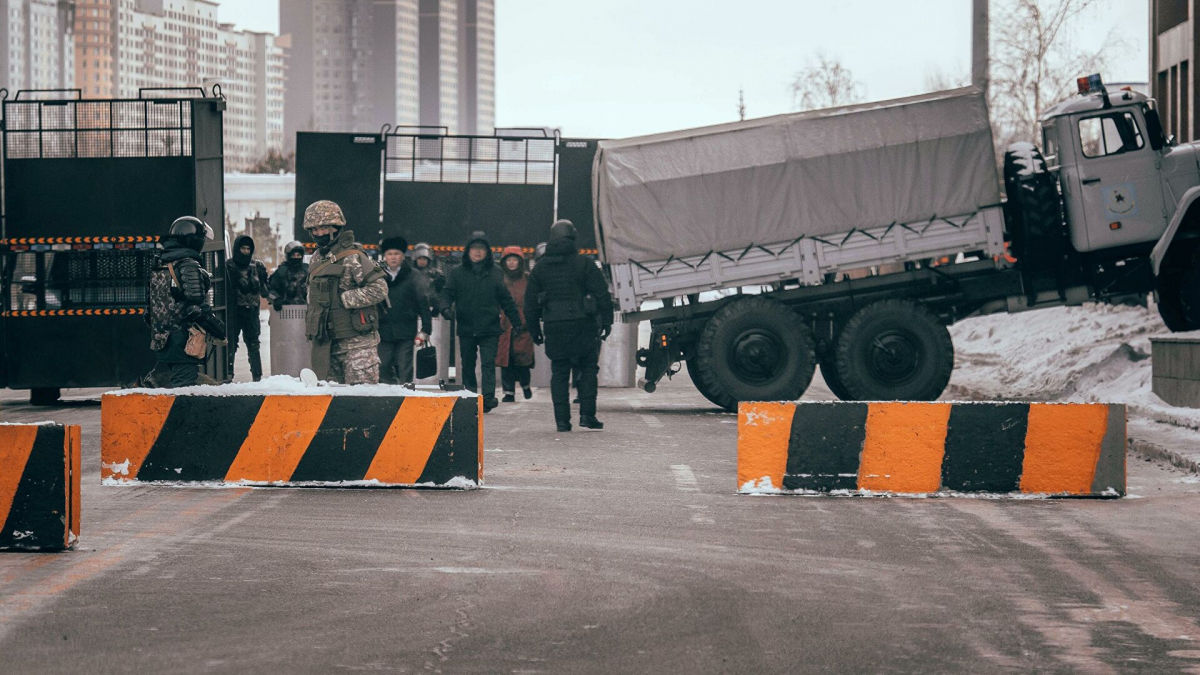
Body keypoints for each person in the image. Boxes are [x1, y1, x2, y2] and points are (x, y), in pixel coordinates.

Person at [525, 219, 613, 432]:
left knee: (560, 372)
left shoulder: (540, 268)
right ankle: (587, 415)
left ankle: (562, 421)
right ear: (573, 238)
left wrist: (534, 330)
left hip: (554, 326)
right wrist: (607, 321)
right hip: (583, 324)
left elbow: (530, 303)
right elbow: (602, 294)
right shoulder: (584, 264)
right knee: (588, 369)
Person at [302, 199, 388, 384]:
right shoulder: (317, 258)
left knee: (362, 402)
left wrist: (345, 299)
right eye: (314, 229)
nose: (318, 233)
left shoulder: (353, 257)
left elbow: (379, 289)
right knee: (330, 403)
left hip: (358, 346)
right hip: (326, 345)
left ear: (336, 227)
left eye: (323, 228)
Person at [439, 231, 523, 412]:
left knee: (488, 364)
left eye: (481, 249)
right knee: (468, 364)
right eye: (474, 249)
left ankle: (487, 398)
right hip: (467, 326)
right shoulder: (457, 273)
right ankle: (470, 397)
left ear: (487, 252)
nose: (477, 252)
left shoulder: (496, 273)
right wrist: (445, 309)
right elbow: (447, 293)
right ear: (468, 251)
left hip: (490, 327)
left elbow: (505, 299)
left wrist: (516, 322)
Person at [143, 216, 225, 387]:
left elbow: (150, 308)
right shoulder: (188, 265)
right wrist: (217, 328)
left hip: (161, 340)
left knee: (162, 388)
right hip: (183, 341)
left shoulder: (160, 263)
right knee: (183, 391)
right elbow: (195, 307)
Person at [378, 236, 432, 384]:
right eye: (390, 254)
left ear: (403, 256)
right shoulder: (378, 276)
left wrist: (425, 329)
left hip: (406, 330)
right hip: (383, 330)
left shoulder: (413, 276)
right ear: (385, 256)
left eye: (396, 254)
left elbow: (423, 303)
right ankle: (386, 400)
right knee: (383, 367)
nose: (393, 257)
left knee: (405, 367)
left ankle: (406, 398)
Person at [224, 234, 270, 381]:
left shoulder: (257, 266)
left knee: (254, 346)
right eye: (242, 248)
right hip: (234, 312)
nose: (245, 251)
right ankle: (228, 374)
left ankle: (257, 377)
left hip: (252, 312)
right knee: (231, 345)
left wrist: (265, 279)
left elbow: (265, 291)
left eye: (248, 249)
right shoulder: (228, 266)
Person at [496, 246, 535, 402]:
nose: (512, 263)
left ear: (520, 262)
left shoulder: (528, 279)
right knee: (506, 359)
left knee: (523, 358)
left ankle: (525, 384)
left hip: (524, 323)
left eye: (515, 260)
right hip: (504, 324)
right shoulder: (500, 279)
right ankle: (508, 392)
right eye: (509, 260)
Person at [268, 240, 309, 310]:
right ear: (288, 256)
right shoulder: (282, 271)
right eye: (293, 255)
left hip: (305, 311)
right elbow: (269, 289)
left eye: (298, 255)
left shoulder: (307, 270)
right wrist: (276, 299)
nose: (296, 258)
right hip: (285, 311)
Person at [411, 241, 444, 315]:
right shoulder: (410, 274)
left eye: (424, 259)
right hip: (412, 309)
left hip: (430, 308)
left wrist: (437, 306)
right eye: (420, 259)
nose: (422, 261)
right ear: (415, 260)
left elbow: (439, 293)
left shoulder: (435, 274)